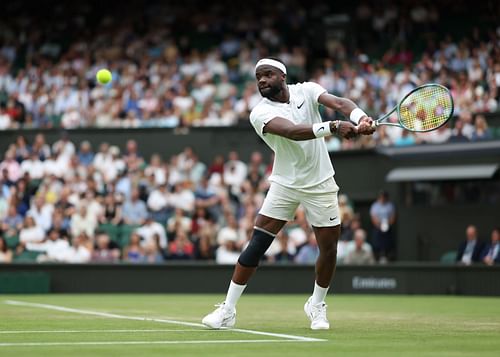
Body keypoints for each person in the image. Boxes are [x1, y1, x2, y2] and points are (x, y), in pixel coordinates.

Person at [202, 58, 375, 330]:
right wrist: (332, 127)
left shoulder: (307, 90)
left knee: (329, 249)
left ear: (282, 76)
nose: (261, 80)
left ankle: (316, 305)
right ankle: (228, 310)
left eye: (268, 75)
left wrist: (359, 118)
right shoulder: (259, 113)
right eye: (258, 77)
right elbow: (293, 132)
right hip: (285, 183)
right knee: (257, 244)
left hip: (320, 182)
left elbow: (341, 104)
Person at [370, 190, 396, 262]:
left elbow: (392, 218)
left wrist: (386, 224)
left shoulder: (390, 206)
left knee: (388, 244)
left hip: (388, 228)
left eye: (385, 197)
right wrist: (380, 225)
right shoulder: (375, 206)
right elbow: (373, 218)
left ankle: (387, 257)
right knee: (377, 243)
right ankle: (377, 257)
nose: (383, 198)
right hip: (378, 228)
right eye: (382, 196)